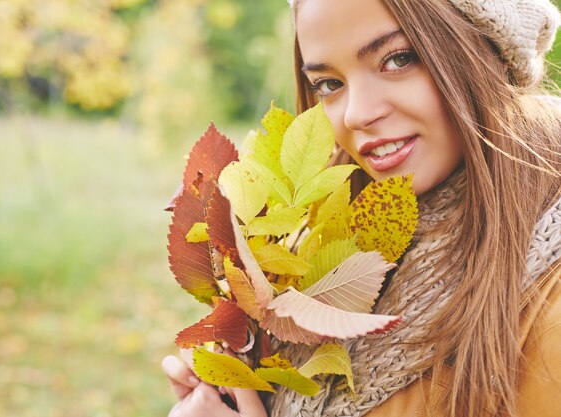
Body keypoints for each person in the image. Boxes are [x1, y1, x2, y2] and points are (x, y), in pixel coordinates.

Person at [162, 0, 561, 416]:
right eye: (329, 84)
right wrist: (241, 378)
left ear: (486, 49)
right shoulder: (325, 234)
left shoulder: (548, 305)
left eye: (398, 59)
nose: (356, 115)